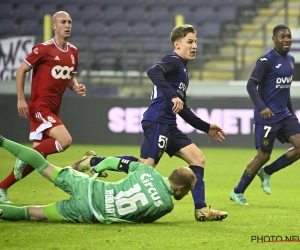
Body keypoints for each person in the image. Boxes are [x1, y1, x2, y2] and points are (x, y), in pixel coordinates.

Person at [73, 24, 228, 221]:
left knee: (197, 159)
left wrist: (206, 128)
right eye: (190, 41)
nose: (194, 45)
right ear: (177, 44)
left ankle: (201, 209)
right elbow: (153, 72)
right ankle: (93, 162)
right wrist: (172, 96)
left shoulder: (182, 70)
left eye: (195, 42)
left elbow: (183, 108)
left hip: (169, 124)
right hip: (158, 120)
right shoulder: (173, 60)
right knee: (145, 168)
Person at [0, 135, 196, 223]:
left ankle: (3, 141)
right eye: (187, 191)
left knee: (44, 167)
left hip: (89, 185)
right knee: (34, 214)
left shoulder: (147, 171)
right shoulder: (166, 206)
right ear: (180, 187)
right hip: (89, 211)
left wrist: (96, 167)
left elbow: (112, 161)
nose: (186, 194)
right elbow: (137, 219)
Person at [0, 11, 86, 203]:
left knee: (38, 158)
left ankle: (1, 188)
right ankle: (25, 157)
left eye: (70, 22)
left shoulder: (73, 51)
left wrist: (76, 86)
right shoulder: (43, 49)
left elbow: (69, 75)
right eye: (63, 22)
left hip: (54, 109)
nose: (67, 25)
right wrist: (21, 99)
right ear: (54, 26)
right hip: (40, 106)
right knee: (65, 140)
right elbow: (21, 70)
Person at [230, 24, 300, 205]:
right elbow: (251, 85)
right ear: (274, 39)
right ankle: (237, 191)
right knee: (263, 156)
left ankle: (268, 172)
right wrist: (262, 108)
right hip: (267, 117)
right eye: (282, 36)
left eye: (289, 36)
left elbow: (285, 91)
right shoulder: (266, 60)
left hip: (284, 115)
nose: (287, 39)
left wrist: (292, 115)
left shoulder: (291, 60)